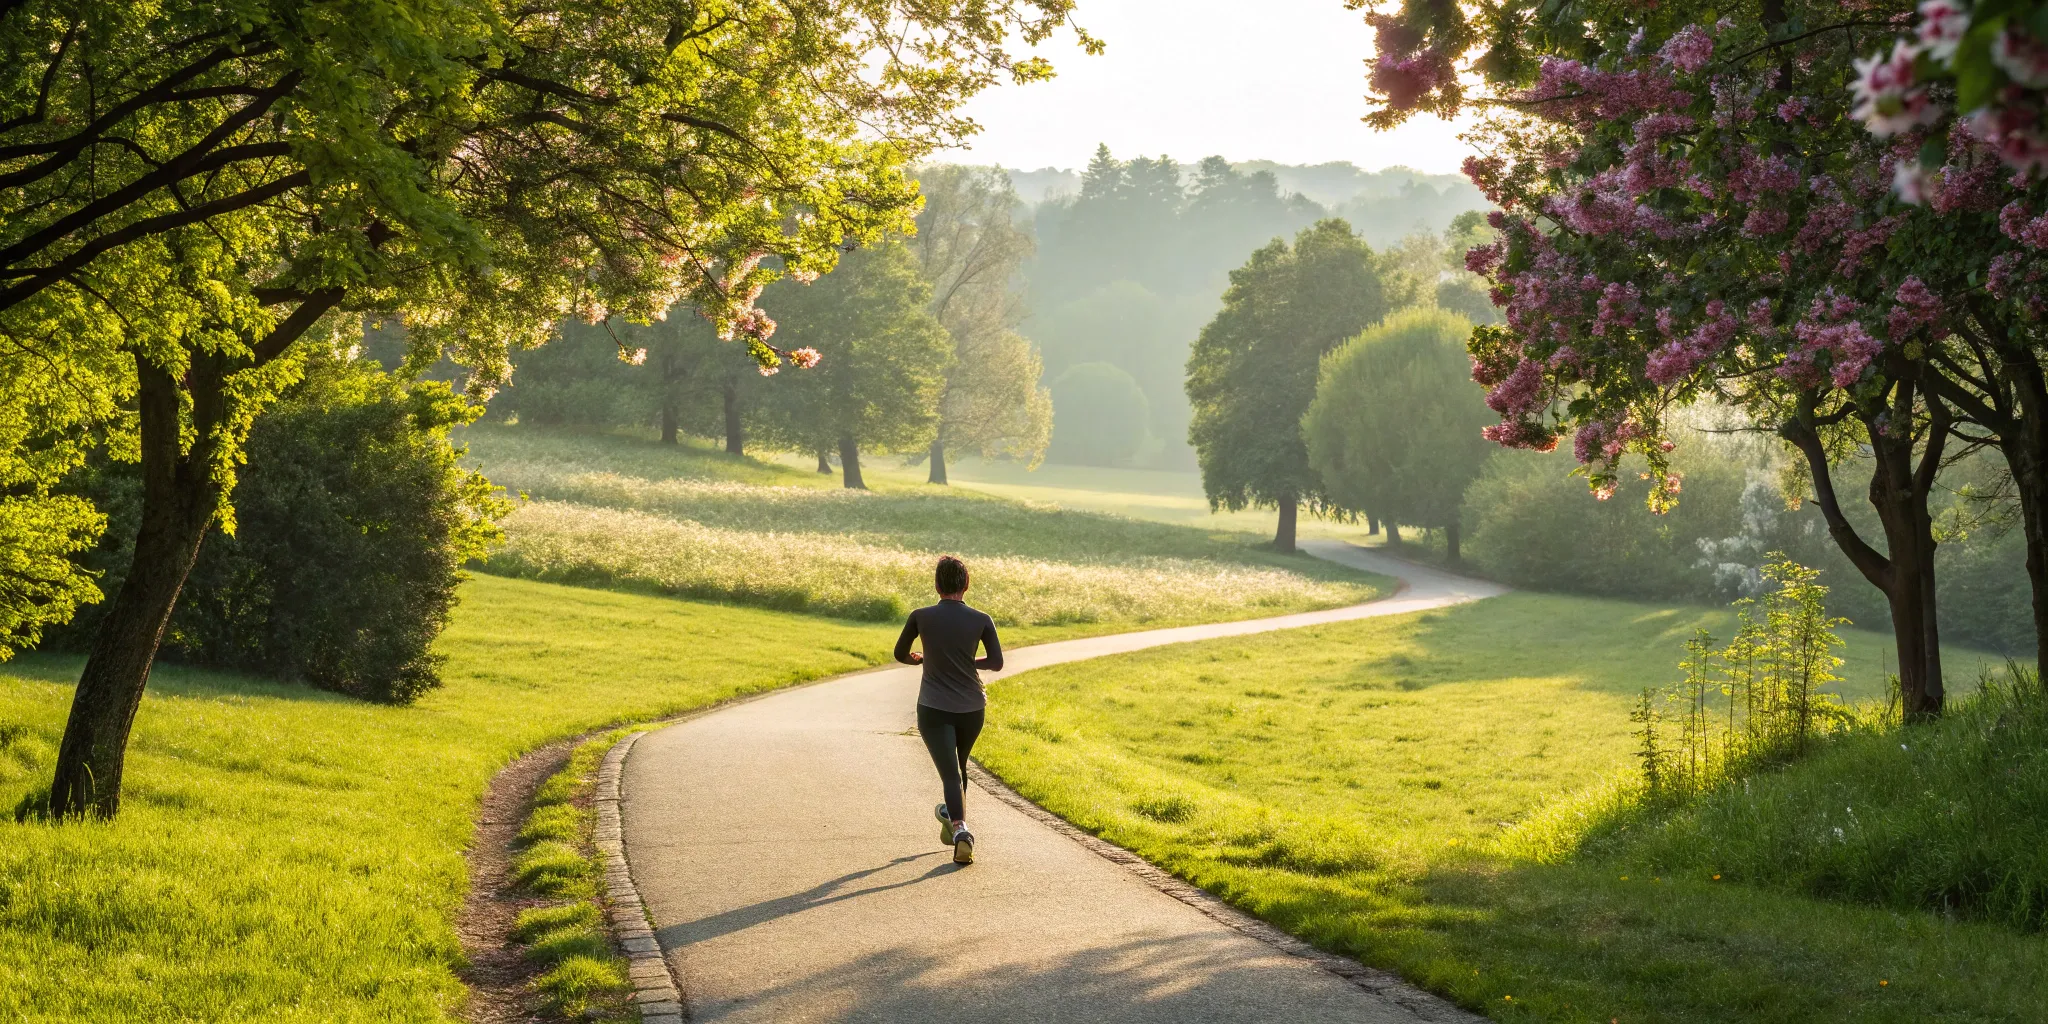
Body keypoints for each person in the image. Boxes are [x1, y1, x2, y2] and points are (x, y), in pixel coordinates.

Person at [894, 555, 1002, 865]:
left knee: (951, 775)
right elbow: (995, 662)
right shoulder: (982, 619)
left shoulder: (921, 616)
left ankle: (960, 830)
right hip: (972, 707)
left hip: (934, 707)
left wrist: (921, 659)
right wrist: (968, 661)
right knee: (959, 768)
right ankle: (950, 821)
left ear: (937, 585)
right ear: (966, 585)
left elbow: (901, 654)